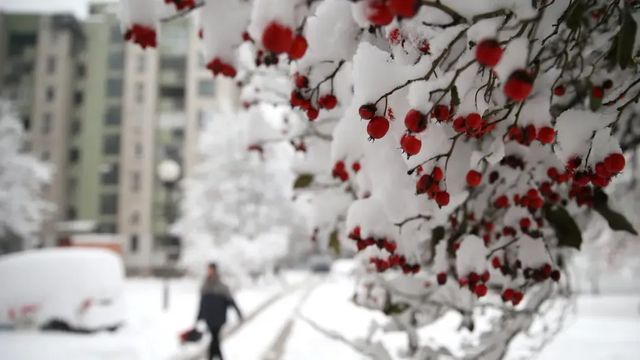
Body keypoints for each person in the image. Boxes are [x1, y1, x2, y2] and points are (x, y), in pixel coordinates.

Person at [197, 262, 243, 360]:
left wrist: (238, 312)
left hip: (219, 318)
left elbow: (231, 301)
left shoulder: (222, 286)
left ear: (215, 270)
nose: (210, 272)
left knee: (215, 337)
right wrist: (199, 317)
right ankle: (217, 357)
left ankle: (213, 357)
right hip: (209, 317)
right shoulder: (205, 286)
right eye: (209, 270)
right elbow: (201, 304)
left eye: (212, 270)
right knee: (215, 338)